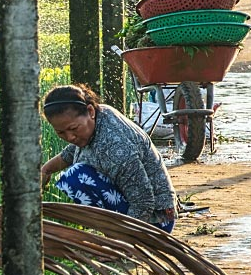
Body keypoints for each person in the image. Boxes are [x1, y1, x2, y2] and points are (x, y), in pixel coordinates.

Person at [40, 84, 177, 232]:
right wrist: (46, 170)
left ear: (90, 111)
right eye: (61, 133)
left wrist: (121, 243)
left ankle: (118, 237)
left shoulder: (117, 147)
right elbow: (72, 151)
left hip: (156, 222)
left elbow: (143, 202)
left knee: (75, 177)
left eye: (73, 129)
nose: (70, 137)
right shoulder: (98, 116)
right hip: (135, 207)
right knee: (73, 175)